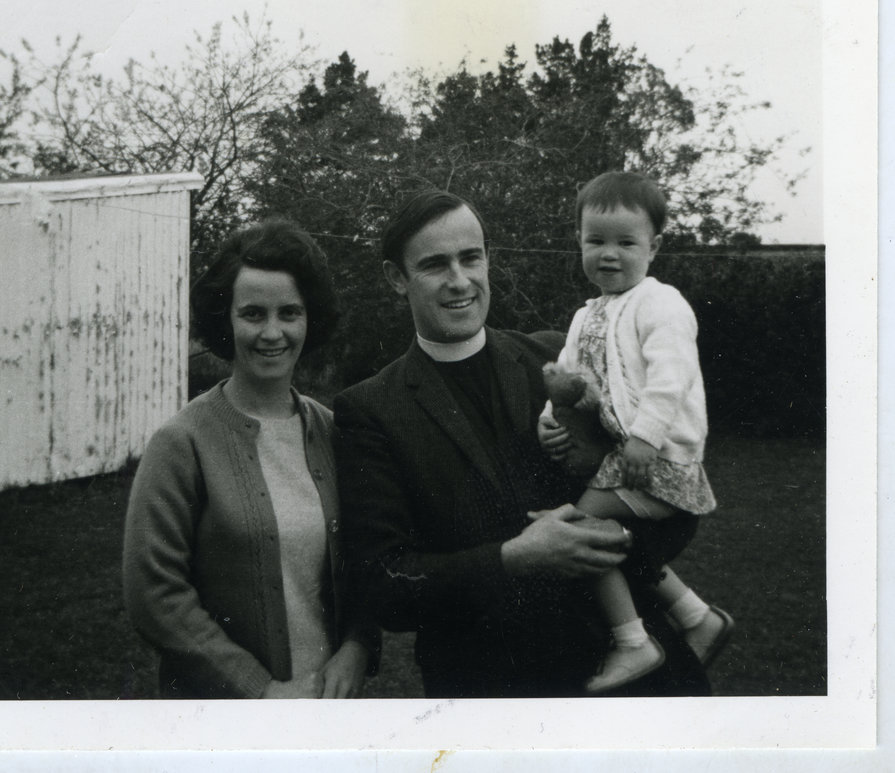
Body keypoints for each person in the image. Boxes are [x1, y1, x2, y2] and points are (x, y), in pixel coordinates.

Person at [334, 189, 709, 697]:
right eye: (434, 265)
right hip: (496, 691)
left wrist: (613, 532)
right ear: (396, 278)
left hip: (641, 682)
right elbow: (384, 585)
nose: (460, 280)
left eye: (471, 257)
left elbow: (671, 500)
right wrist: (513, 557)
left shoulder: (557, 357)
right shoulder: (370, 410)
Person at [123, 220, 377, 698]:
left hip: (330, 708)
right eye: (253, 314)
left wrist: (358, 646)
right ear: (226, 319)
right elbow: (154, 595)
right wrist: (260, 691)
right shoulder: (181, 443)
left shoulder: (335, 433)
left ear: (310, 318)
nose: (273, 333)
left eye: (290, 313)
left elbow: (368, 560)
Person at [537, 171, 734, 693]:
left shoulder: (660, 303)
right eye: (595, 241)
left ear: (654, 246)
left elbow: (672, 377)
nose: (609, 254)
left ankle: (633, 641)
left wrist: (646, 436)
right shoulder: (588, 316)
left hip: (660, 458)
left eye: (626, 242)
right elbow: (568, 378)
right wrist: (549, 423)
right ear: (578, 240)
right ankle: (696, 617)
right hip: (625, 458)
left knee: (578, 527)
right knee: (606, 538)